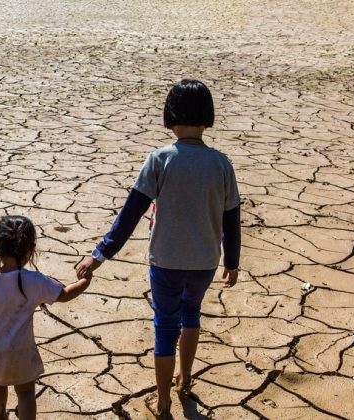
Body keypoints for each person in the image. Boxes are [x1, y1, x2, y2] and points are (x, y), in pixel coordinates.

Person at [76, 79, 241, 418]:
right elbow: (232, 218)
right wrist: (232, 260)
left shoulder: (160, 159)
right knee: (191, 314)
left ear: (170, 117)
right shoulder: (221, 164)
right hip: (205, 262)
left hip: (166, 261)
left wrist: (99, 254)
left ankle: (163, 399)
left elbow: (130, 214)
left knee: (165, 325)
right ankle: (186, 380)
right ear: (207, 118)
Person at [0, 215, 91, 420]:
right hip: (22, 351)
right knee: (26, 392)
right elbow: (64, 295)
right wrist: (84, 282)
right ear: (31, 249)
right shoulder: (35, 281)